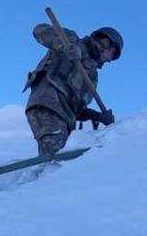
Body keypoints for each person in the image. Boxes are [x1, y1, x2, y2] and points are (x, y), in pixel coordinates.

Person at [23, 23, 122, 158]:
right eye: (113, 54)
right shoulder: (71, 40)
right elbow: (39, 30)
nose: (110, 60)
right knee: (56, 154)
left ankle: (46, 176)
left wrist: (98, 116)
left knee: (65, 159)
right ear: (107, 43)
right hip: (47, 103)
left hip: (65, 119)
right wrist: (64, 46)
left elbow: (78, 110)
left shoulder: (92, 77)